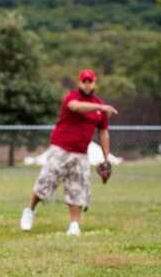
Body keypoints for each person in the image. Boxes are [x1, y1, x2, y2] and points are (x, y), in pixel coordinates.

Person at [20, 69, 117, 236]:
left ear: (95, 83)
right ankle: (30, 210)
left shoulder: (100, 108)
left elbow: (103, 132)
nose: (87, 84)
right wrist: (101, 106)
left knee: (77, 189)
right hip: (61, 149)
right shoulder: (72, 98)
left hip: (81, 153)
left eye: (90, 81)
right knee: (45, 183)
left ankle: (74, 225)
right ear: (79, 83)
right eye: (84, 81)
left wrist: (106, 158)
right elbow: (76, 107)